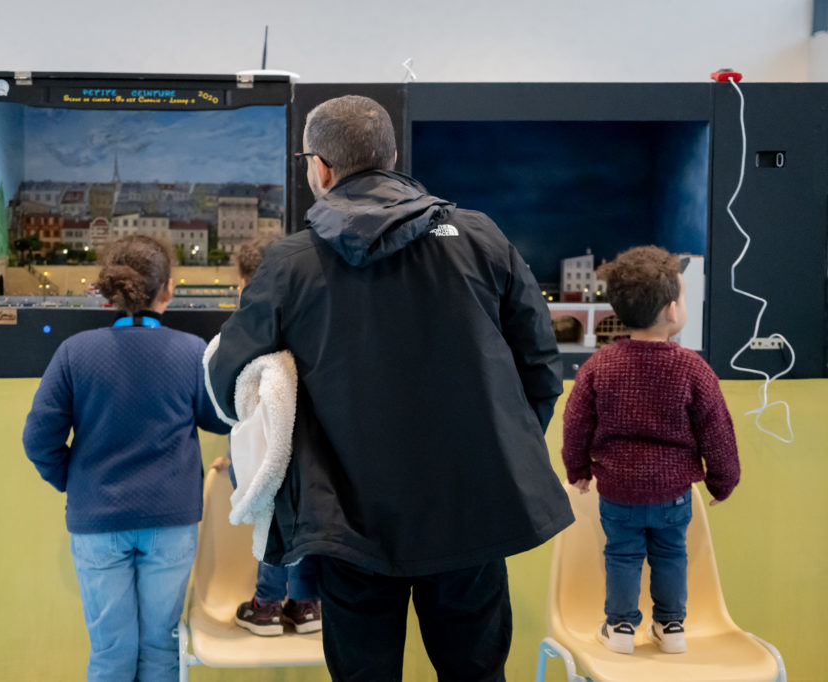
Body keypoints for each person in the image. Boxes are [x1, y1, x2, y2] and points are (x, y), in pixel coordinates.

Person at [205, 95, 574, 681]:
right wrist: (497, 452)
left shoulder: (290, 264)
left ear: (320, 167)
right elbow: (539, 366)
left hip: (350, 523)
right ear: (393, 157)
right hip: (471, 511)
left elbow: (227, 382)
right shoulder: (480, 238)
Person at [22, 235, 231, 682]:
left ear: (107, 291)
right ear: (168, 289)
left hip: (96, 521)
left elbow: (38, 439)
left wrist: (74, 481)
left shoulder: (74, 353)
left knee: (110, 652)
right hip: (171, 522)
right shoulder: (191, 352)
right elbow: (219, 420)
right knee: (161, 647)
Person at [561, 245, 741, 656]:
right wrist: (722, 482)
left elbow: (575, 426)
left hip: (618, 491)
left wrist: (579, 470)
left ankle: (621, 628)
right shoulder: (693, 368)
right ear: (673, 310)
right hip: (674, 493)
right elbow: (718, 433)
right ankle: (671, 626)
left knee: (622, 555)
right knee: (671, 554)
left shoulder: (598, 367)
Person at [211, 236, 322, 637]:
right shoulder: (311, 325)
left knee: (274, 529)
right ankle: (307, 604)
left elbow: (232, 408)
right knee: (307, 527)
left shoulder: (244, 334)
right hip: (313, 453)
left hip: (268, 453)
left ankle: (267, 606)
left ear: (245, 284)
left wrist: (237, 459)